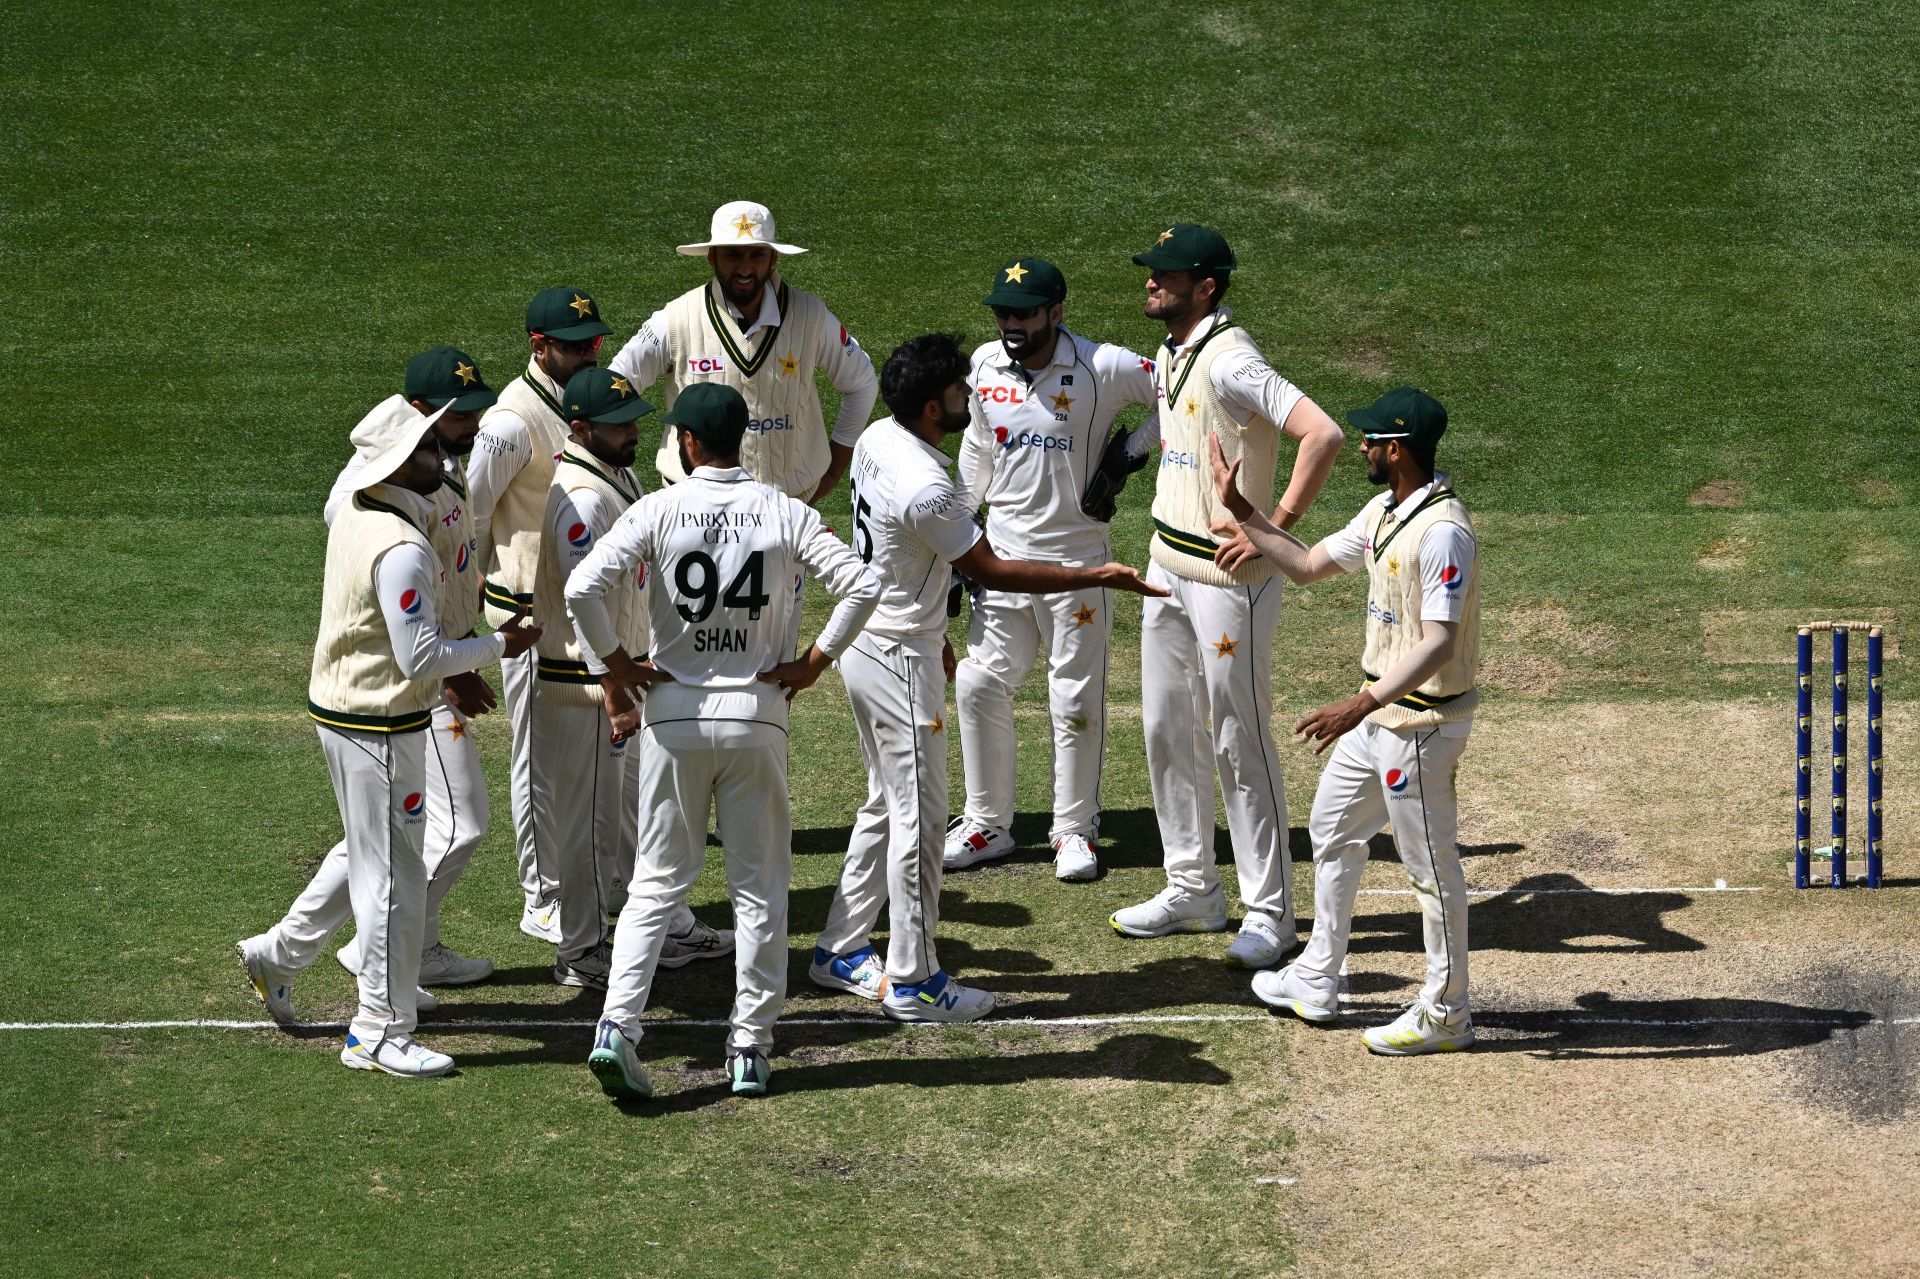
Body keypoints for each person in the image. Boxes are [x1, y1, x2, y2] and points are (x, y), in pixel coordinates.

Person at [812, 335, 1166, 1024]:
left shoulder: (882, 442)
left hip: (875, 645)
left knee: (886, 805)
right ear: (928, 405)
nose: (969, 398)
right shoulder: (928, 485)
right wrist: (1096, 573)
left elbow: (908, 562)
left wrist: (935, 629)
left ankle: (840, 948)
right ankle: (915, 981)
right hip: (899, 662)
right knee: (917, 822)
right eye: (956, 393)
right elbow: (993, 571)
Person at [568, 384, 881, 1098]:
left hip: (672, 712)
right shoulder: (785, 511)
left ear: (685, 442)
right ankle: (750, 1046)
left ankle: (617, 1027)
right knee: (759, 889)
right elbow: (861, 585)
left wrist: (618, 664)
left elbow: (585, 587)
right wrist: (815, 659)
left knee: (655, 881)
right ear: (740, 438)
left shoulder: (657, 508)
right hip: (757, 712)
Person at [238, 397, 541, 1076]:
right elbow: (423, 659)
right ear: (402, 462)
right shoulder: (401, 547)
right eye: (430, 450)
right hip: (378, 721)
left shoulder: (359, 507)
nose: (443, 458)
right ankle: (376, 1031)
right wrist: (500, 645)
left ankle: (280, 955)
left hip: (358, 714)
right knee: (392, 881)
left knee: (379, 861)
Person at [1208, 387, 1480, 1055]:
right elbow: (1302, 565)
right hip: (1380, 717)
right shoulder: (1385, 510)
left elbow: (1439, 640)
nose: (1359, 445)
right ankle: (1318, 976)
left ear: (1397, 449)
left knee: (1431, 869)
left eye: (1370, 439)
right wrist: (1243, 511)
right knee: (1330, 829)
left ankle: (1449, 1011)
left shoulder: (1443, 530)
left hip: (1418, 726)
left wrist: (1361, 702)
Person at [1110, 224, 1344, 969]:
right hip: (1163, 565)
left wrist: (1276, 528)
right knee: (1165, 728)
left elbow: (1323, 433)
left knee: (1237, 738)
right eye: (1152, 269)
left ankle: (1271, 913)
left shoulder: (1235, 359)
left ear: (1206, 286)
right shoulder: (1178, 350)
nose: (1152, 281)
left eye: (1168, 273)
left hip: (1227, 582)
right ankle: (1192, 888)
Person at [947, 257, 1160, 882]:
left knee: (1073, 698)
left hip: (1080, 563)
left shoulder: (1103, 365)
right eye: (1004, 312)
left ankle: (1074, 831)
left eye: (1026, 312)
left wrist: (1127, 456)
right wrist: (960, 535)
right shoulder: (984, 365)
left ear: (1056, 312)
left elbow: (1181, 398)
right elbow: (977, 448)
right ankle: (986, 824)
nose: (1013, 323)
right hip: (1002, 560)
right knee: (980, 683)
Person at [297, 348, 503, 991]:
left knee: (382, 840)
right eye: (461, 413)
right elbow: (366, 551)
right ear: (421, 415)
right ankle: (383, 950)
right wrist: (457, 665)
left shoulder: (443, 462)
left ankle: (296, 950)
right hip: (412, 675)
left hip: (436, 658)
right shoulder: (380, 484)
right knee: (455, 827)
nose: (474, 424)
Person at [469, 286, 612, 944]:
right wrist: (464, 597)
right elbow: (472, 515)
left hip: (582, 608)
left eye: (594, 342)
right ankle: (541, 894)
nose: (590, 354)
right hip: (526, 615)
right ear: (539, 345)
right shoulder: (510, 421)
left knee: (594, 760)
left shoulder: (588, 402)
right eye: (575, 345)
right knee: (539, 757)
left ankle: (594, 882)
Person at [609, 200, 878, 504]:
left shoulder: (811, 316)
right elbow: (615, 383)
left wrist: (831, 473)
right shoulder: (677, 319)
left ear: (773, 258)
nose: (746, 268)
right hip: (693, 506)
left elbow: (862, 384)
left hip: (786, 506)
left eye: (757, 254)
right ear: (712, 257)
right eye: (733, 255)